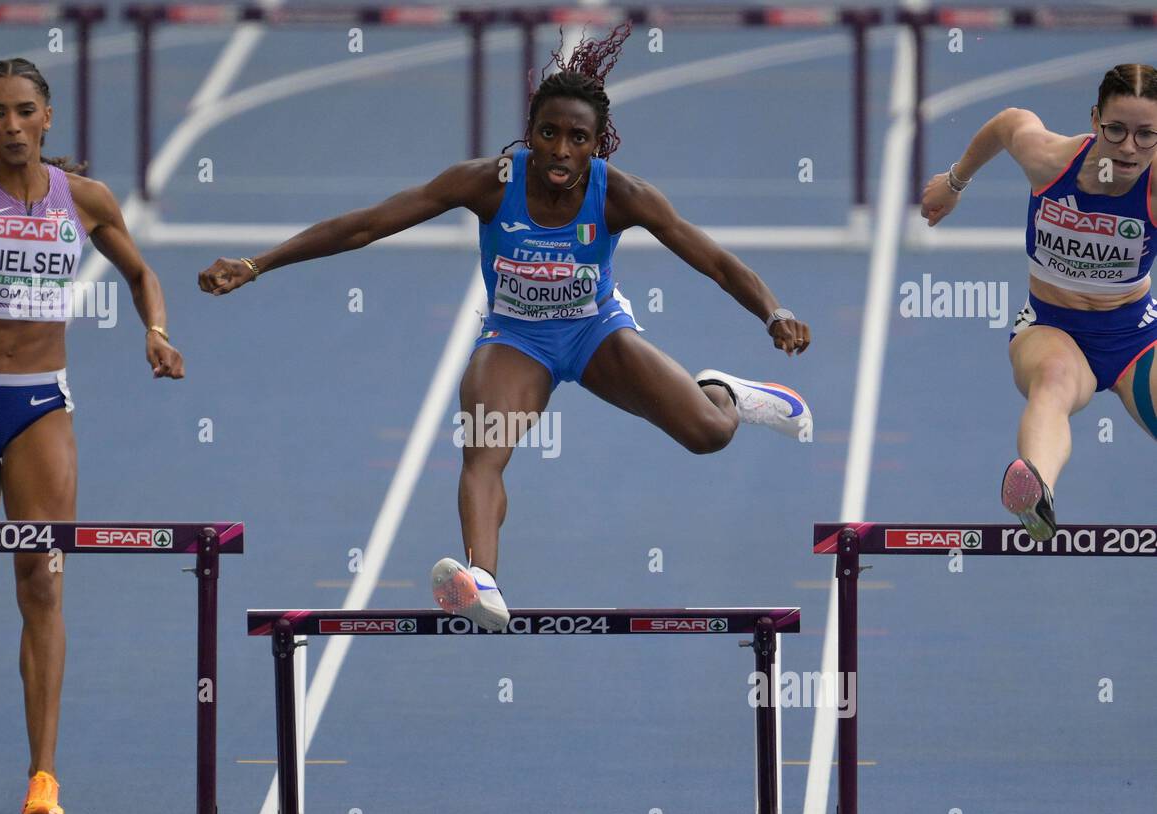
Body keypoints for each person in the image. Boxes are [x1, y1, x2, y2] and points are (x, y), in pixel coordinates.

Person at [199, 25, 812, 629]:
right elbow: (365, 225)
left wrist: (774, 311)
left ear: (598, 146)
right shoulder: (489, 184)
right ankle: (483, 580)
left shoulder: (623, 195)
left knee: (709, 434)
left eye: (578, 138)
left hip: (595, 332)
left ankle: (726, 393)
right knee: (484, 450)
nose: (561, 151)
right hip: (517, 340)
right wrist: (257, 263)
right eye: (549, 134)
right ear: (530, 136)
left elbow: (714, 261)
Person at [0, 58, 184, 814]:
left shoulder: (83, 200)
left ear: (48, 117)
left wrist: (155, 332)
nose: (14, 126)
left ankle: (43, 777)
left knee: (45, 581)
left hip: (40, 406)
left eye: (26, 111)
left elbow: (141, 273)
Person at [921, 64, 1157, 541]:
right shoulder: (1051, 161)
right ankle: (1036, 493)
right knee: (1053, 381)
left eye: (1147, 134)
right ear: (1095, 120)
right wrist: (954, 182)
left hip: (1136, 336)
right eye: (1116, 130)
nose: (1129, 147)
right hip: (1052, 327)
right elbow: (1010, 123)